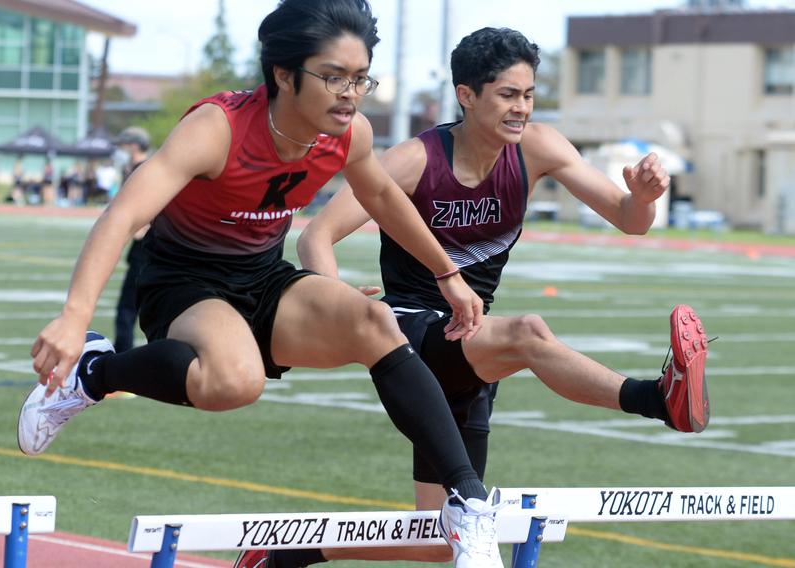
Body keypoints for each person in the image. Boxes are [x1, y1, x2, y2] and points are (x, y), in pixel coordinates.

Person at [18, 2, 505, 566]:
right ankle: (94, 373)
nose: (350, 93)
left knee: (374, 320)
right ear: (283, 74)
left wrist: (448, 275)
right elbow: (121, 215)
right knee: (235, 382)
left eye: (360, 78)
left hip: (262, 276)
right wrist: (75, 317)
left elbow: (382, 198)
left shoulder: (350, 135)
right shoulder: (216, 128)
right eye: (333, 77)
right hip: (184, 279)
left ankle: (468, 505)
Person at [235, 27, 711, 567]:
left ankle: (286, 555)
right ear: (467, 95)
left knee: (441, 538)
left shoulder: (538, 148)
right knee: (528, 332)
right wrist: (334, 297)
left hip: (470, 343)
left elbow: (630, 220)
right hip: (411, 333)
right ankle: (658, 398)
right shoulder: (416, 159)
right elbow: (315, 234)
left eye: (529, 95)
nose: (521, 109)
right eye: (508, 95)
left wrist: (645, 199)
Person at [112, 126, 153, 353]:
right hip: (146, 252)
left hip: (145, 252)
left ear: (134, 145)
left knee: (127, 310)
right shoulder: (140, 168)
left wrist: (140, 226)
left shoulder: (143, 170)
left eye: (125, 145)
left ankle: (122, 360)